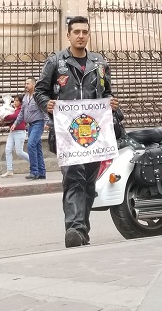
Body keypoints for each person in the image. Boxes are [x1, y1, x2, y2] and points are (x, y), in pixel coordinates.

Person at [34, 14, 118, 249]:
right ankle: (74, 228)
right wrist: (46, 104)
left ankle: (82, 229)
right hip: (66, 134)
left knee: (89, 182)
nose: (81, 36)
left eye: (84, 32)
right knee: (73, 179)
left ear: (88, 34)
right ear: (68, 35)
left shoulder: (99, 63)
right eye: (76, 32)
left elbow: (107, 91)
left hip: (94, 136)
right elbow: (40, 91)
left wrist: (111, 102)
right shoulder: (56, 62)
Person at [11, 77, 46, 181]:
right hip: (30, 125)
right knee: (37, 148)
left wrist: (47, 122)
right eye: (25, 83)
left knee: (31, 145)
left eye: (27, 84)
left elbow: (44, 109)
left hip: (38, 123)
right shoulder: (26, 97)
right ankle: (41, 172)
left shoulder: (38, 96)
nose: (25, 85)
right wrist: (16, 123)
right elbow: (22, 112)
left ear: (33, 85)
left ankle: (34, 171)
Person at [0, 94, 29, 176]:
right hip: (12, 132)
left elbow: (14, 117)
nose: (15, 102)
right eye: (14, 100)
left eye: (17, 101)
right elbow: (11, 120)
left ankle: (34, 163)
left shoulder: (21, 110)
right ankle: (9, 170)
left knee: (19, 152)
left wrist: (4, 117)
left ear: (21, 102)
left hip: (20, 132)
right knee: (8, 150)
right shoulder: (15, 109)